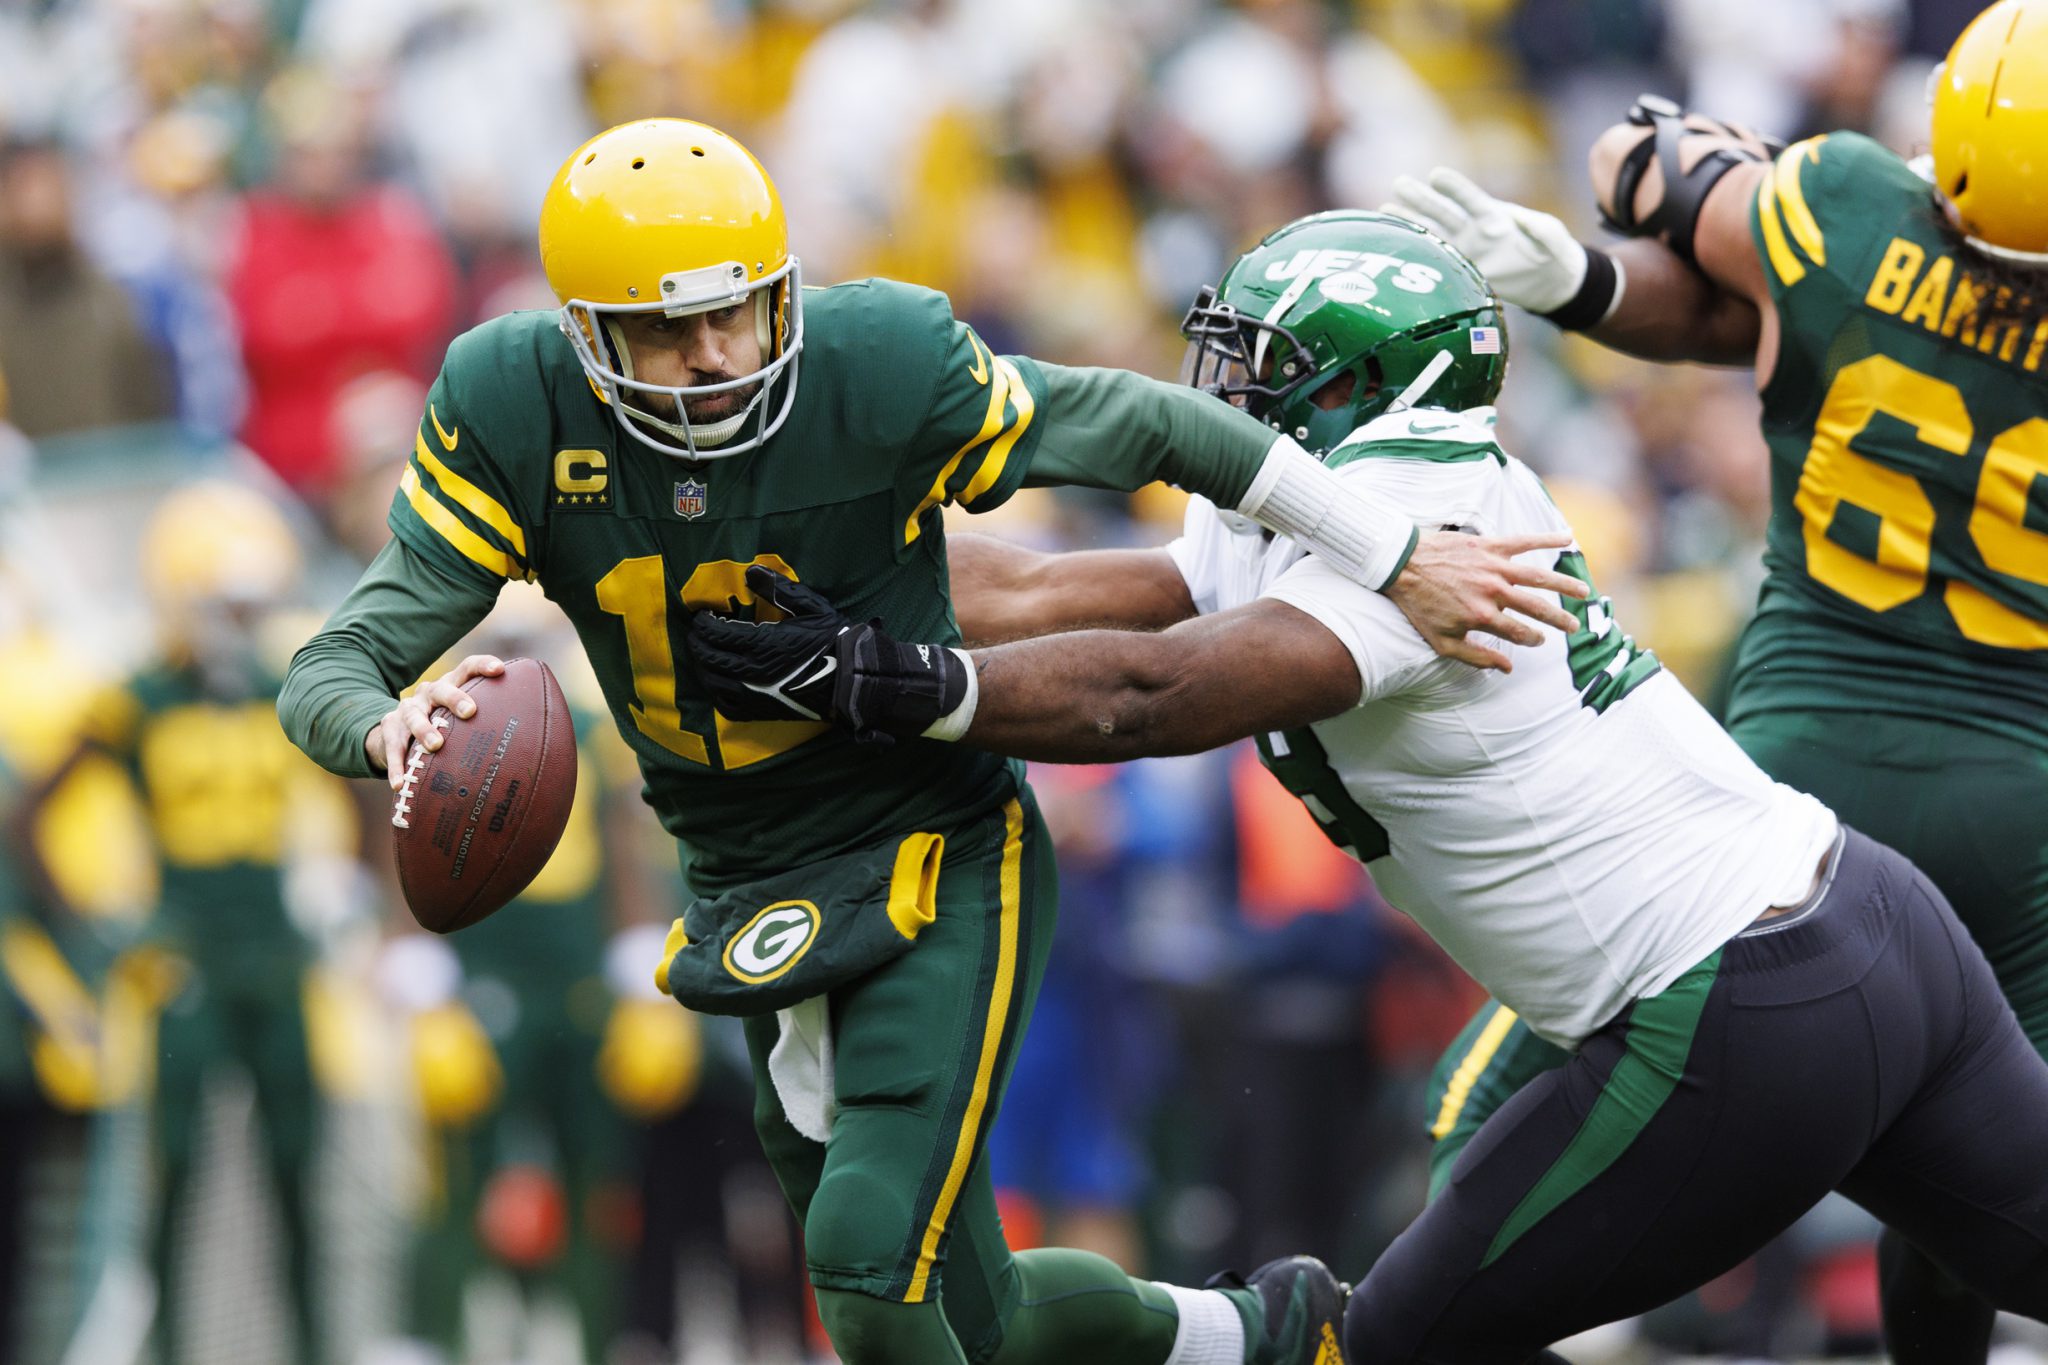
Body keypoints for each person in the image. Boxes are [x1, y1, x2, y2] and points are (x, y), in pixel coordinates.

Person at [278, 117, 1581, 1365]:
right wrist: (386, 726)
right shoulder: (514, 404)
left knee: (866, 1266)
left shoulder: (875, 362)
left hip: (934, 849)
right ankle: (1278, 1335)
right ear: (584, 334)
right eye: (667, 330)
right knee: (979, 1324)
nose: (718, 354)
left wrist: (1387, 551)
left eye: (738, 309)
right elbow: (331, 667)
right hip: (743, 883)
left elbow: (1150, 424)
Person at [684, 208, 2048, 1365]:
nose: (1226, 388)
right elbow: (1043, 590)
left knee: (1389, 1344)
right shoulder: (1311, 502)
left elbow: (1159, 692)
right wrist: (767, 566)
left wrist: (896, 684)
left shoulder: (1426, 522)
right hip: (1862, 924)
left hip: (1733, 1000)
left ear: (1365, 383)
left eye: (1265, 363)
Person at [1381, 5, 2048, 1359]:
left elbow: (1640, 164)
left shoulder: (1849, 214)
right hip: (2027, 806)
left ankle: (1428, 1325)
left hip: (1798, 772)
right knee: (1974, 1181)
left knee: (1501, 1090)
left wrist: (1589, 272)